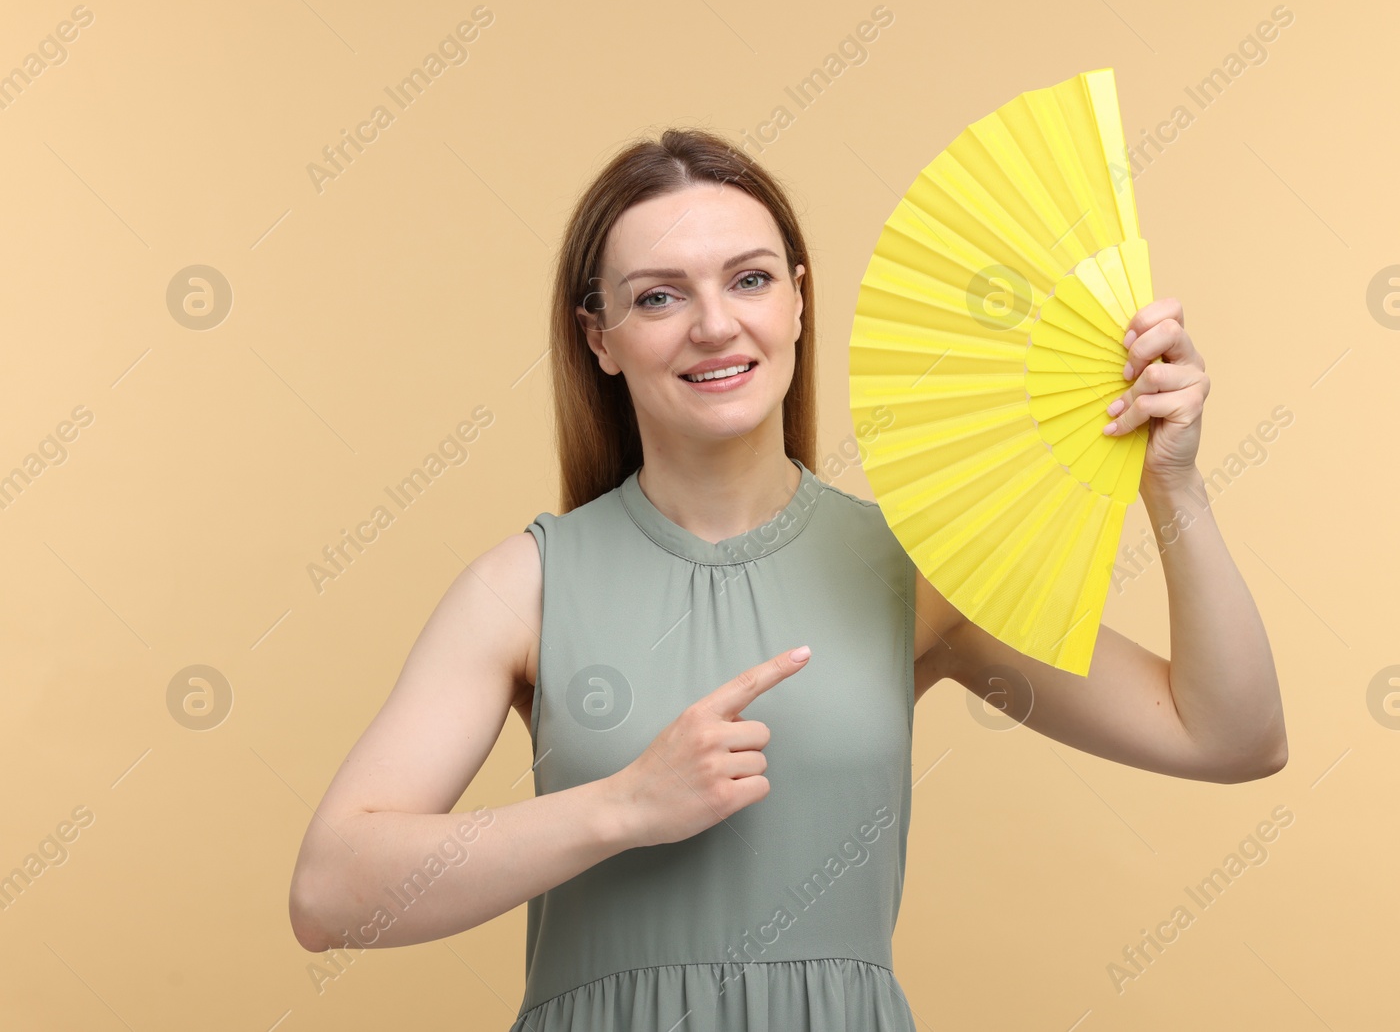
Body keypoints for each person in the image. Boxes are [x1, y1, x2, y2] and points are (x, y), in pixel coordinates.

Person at [286, 127, 1288, 1031]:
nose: (714, 325)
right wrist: (624, 804)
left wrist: (1173, 483)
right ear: (601, 337)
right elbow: (330, 893)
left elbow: (1231, 736)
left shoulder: (915, 571)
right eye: (659, 295)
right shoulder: (526, 585)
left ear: (801, 298)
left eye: (751, 279)